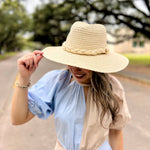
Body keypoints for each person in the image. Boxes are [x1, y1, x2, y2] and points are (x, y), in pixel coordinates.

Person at [11, 21, 131, 150]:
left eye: (83, 62)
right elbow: (18, 119)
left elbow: (116, 132)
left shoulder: (112, 87)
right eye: (71, 60)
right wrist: (24, 78)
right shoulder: (57, 81)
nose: (74, 68)